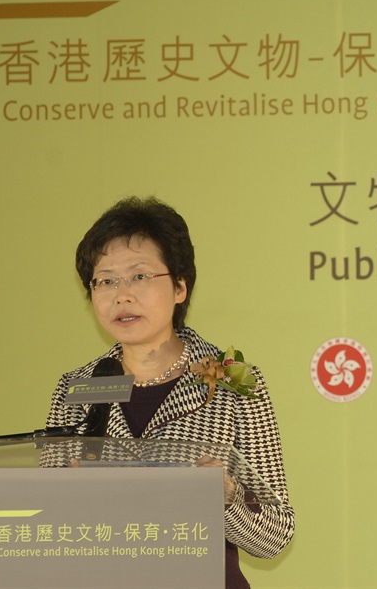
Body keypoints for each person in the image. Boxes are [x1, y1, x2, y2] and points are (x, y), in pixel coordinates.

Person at [42, 196, 294, 588]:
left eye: (139, 276)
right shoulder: (76, 390)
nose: (121, 294)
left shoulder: (235, 384)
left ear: (180, 286)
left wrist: (226, 499)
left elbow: (276, 535)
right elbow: (48, 525)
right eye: (105, 280)